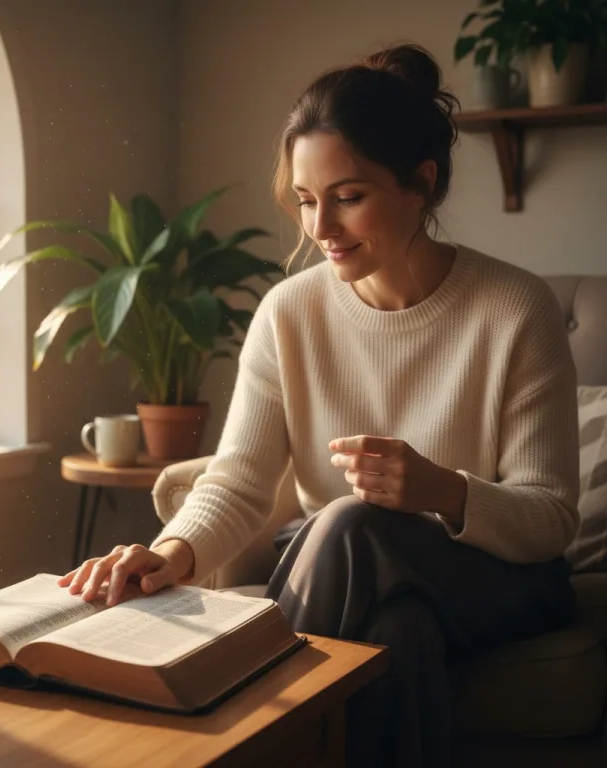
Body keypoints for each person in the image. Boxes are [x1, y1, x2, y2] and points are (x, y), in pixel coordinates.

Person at [58, 44, 579, 767]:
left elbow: (551, 518)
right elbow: (239, 479)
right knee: (398, 631)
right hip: (349, 569)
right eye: (306, 200)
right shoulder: (289, 312)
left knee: (352, 521)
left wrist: (442, 491)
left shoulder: (516, 308)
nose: (321, 227)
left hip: (500, 581)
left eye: (348, 196)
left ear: (421, 183)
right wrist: (170, 553)